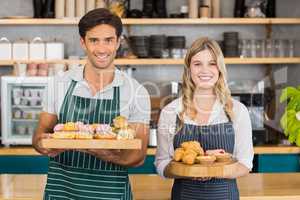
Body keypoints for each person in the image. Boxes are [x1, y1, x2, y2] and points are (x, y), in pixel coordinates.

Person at [32, 8, 150, 200]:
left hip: (111, 194)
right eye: (94, 40)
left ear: (119, 42)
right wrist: (43, 144)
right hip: (62, 192)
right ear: (83, 43)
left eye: (109, 40)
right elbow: (39, 135)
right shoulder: (59, 84)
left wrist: (105, 153)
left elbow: (138, 156)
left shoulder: (136, 92)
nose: (102, 49)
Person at [155, 37, 254, 200]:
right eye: (197, 64)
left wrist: (212, 169)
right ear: (189, 69)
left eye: (212, 63)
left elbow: (245, 164)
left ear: (220, 68)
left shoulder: (236, 111)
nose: (204, 70)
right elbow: (162, 163)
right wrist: (187, 170)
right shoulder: (171, 111)